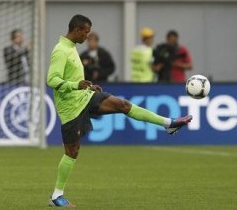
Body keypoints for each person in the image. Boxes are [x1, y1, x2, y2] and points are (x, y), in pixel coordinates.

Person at [46, 14, 192, 207]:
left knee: (123, 105)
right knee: (72, 151)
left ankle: (169, 124)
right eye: (86, 32)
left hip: (85, 97)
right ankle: (57, 196)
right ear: (76, 29)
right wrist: (76, 85)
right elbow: (52, 80)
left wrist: (87, 87)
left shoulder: (71, 48)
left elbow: (73, 79)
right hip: (70, 109)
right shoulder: (61, 50)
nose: (87, 37)